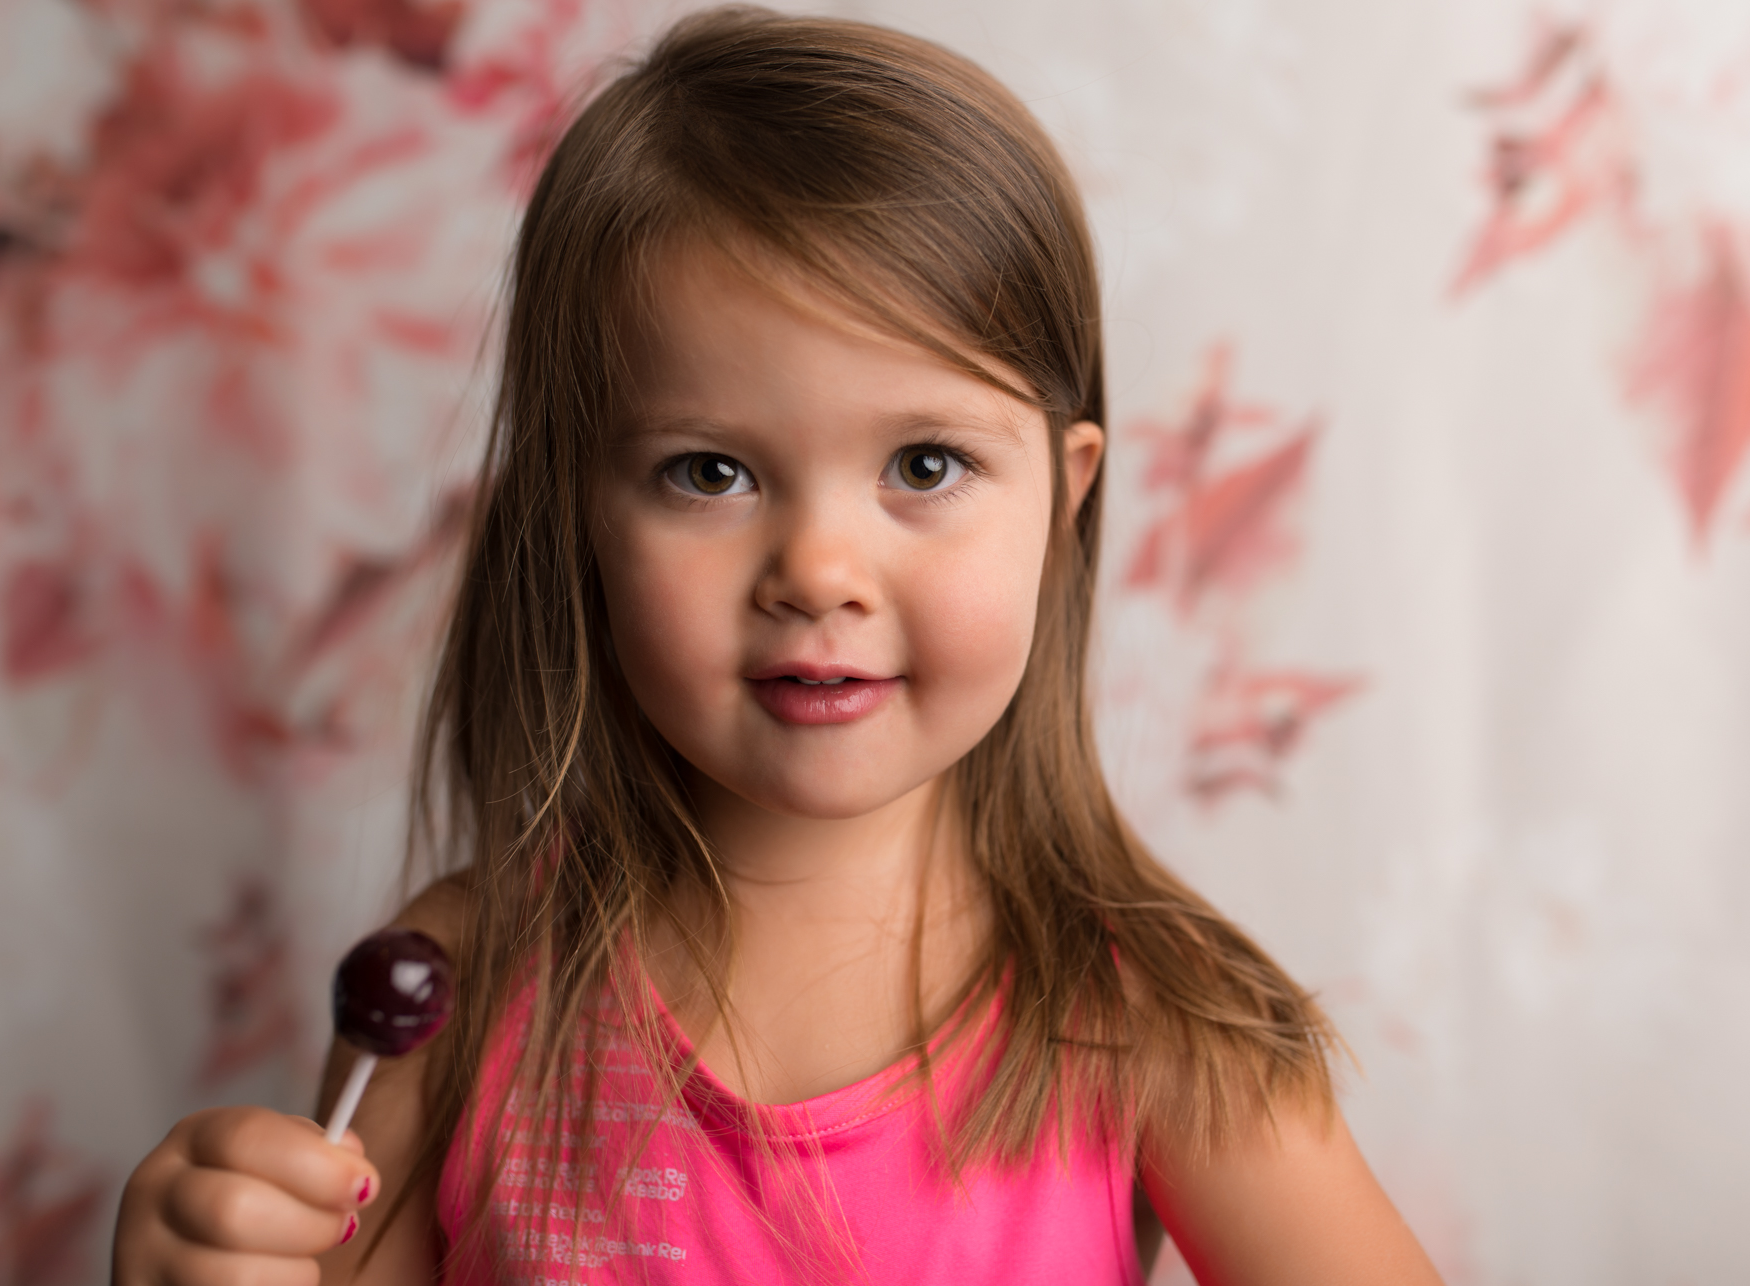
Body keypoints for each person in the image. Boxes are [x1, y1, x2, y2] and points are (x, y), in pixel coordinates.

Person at [112, 9, 1445, 1284]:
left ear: (1065, 493)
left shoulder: (1153, 1024)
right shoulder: (466, 984)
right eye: (709, 472)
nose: (817, 570)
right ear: (579, 510)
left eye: (924, 462)